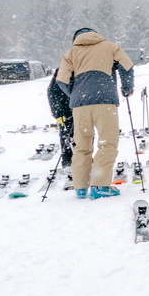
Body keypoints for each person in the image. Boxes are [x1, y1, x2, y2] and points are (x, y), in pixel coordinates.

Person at [55, 27, 135, 199]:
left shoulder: (70, 54)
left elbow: (61, 80)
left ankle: (81, 187)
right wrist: (127, 88)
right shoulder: (111, 47)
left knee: (82, 146)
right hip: (105, 101)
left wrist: (76, 93)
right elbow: (127, 67)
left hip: (79, 105)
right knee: (107, 143)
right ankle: (99, 186)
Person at [47, 71, 75, 172]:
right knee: (67, 137)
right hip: (65, 111)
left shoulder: (86, 67)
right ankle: (68, 162)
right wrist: (58, 112)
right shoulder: (62, 70)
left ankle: (85, 162)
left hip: (82, 109)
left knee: (85, 137)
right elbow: (52, 92)